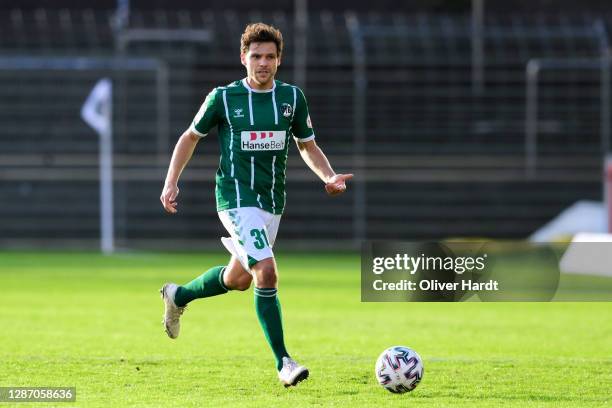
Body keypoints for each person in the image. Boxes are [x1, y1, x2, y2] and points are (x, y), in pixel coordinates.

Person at [159, 22, 352, 387]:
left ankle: (177, 294)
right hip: (234, 198)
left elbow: (307, 146)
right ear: (243, 58)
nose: (262, 63)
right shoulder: (224, 98)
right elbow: (190, 137)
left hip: (272, 203)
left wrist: (328, 176)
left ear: (279, 61)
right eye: (256, 56)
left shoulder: (292, 99)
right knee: (267, 271)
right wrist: (171, 181)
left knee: (239, 279)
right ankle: (285, 362)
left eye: (269, 57)